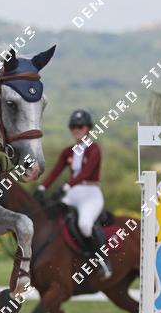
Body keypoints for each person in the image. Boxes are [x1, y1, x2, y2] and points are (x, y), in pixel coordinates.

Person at [34, 109, 111, 278]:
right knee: (52, 217)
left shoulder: (94, 149)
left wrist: (66, 187)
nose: (77, 130)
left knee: (85, 225)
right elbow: (56, 171)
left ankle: (103, 261)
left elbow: (85, 173)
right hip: (73, 194)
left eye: (80, 126)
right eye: (73, 127)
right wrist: (42, 188)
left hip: (90, 193)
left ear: (88, 128)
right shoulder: (68, 152)